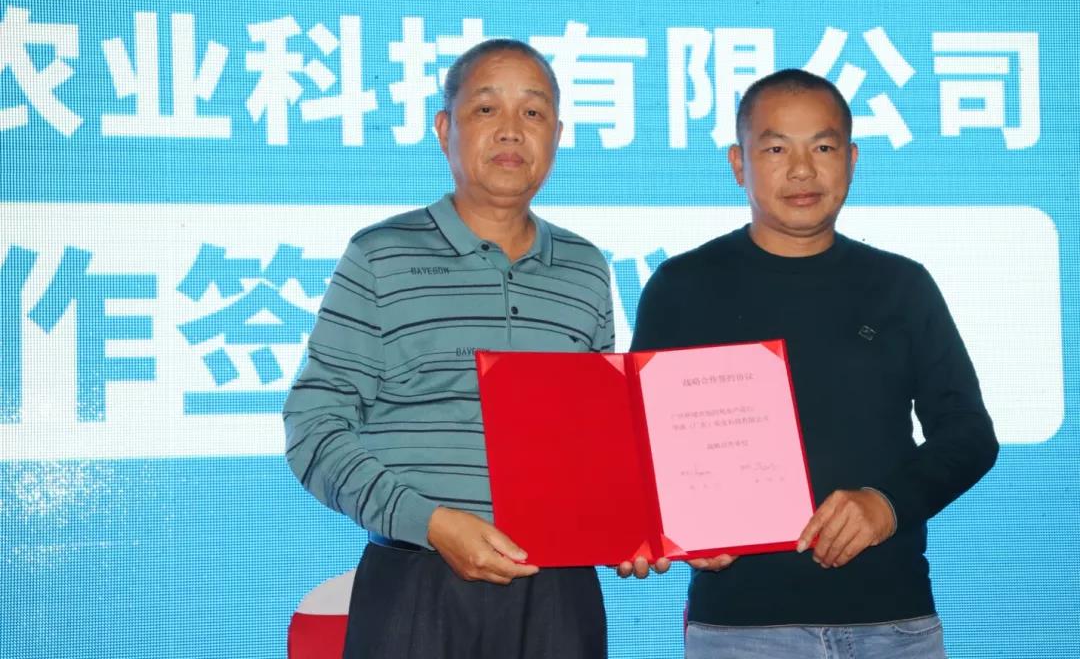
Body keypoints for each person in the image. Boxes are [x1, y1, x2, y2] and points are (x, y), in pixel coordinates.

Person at [630, 68, 999, 658]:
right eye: (776, 149)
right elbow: (640, 446)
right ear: (738, 163)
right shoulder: (682, 288)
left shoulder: (901, 286)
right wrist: (675, 527)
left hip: (893, 623)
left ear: (851, 160)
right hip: (741, 630)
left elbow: (969, 435)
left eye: (823, 148)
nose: (802, 170)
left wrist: (886, 504)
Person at [283, 39, 613, 659]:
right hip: (418, 581)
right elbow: (313, 429)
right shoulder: (380, 256)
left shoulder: (585, 268)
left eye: (533, 112)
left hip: (559, 591)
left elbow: (598, 438)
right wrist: (427, 523)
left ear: (558, 135)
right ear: (444, 129)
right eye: (486, 109)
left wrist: (632, 525)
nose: (512, 130)